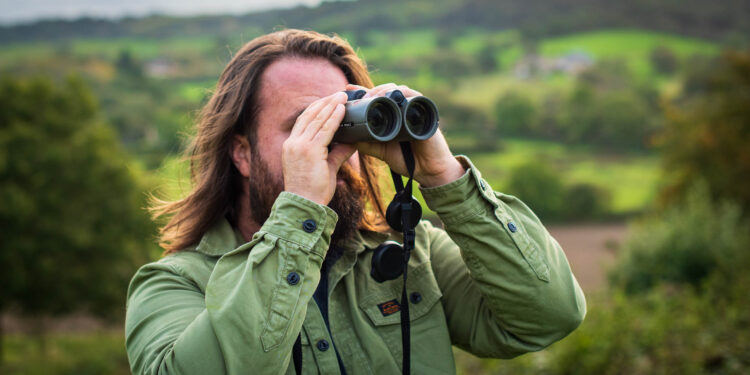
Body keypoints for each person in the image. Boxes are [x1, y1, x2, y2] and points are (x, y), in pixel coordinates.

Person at [125, 29, 586, 375]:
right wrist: (301, 208)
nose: (333, 146)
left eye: (345, 121)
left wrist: (444, 177)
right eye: (306, 126)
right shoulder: (176, 287)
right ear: (242, 153)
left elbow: (549, 316)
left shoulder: (411, 254)